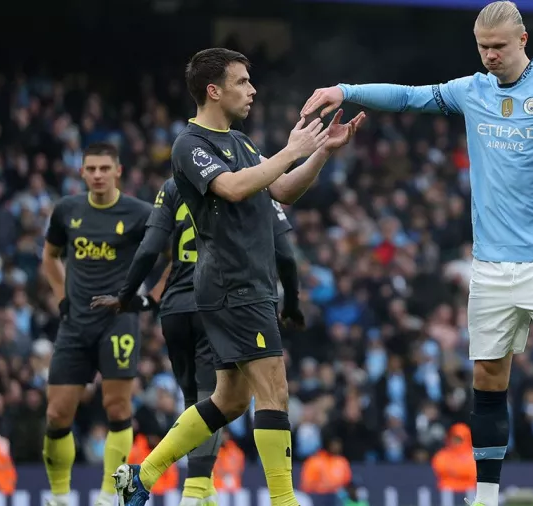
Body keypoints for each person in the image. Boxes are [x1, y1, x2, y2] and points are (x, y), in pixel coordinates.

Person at [300, 2, 533, 505]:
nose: (489, 57)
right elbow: (409, 98)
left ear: (523, 40)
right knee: (487, 376)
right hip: (490, 264)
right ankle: (485, 496)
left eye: (499, 47)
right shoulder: (473, 91)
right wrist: (344, 91)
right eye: (482, 48)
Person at [114, 47, 364, 506]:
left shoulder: (242, 143)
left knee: (229, 400)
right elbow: (229, 188)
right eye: (242, 82)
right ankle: (284, 501)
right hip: (233, 284)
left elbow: (282, 190)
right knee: (275, 390)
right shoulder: (191, 144)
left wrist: (321, 153)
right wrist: (291, 149)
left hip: (246, 284)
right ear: (214, 90)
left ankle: (141, 475)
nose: (252, 90)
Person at [92, 178, 303, 506]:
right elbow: (285, 255)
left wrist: (127, 296)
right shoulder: (250, 179)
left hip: (180, 305)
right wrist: (291, 303)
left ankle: (145, 477)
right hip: (236, 297)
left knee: (223, 400)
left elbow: (151, 248)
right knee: (269, 393)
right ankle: (205, 492)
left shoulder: (173, 187)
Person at [41, 142, 155, 506]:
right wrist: (61, 296)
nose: (98, 175)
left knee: (118, 409)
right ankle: (59, 496)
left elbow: (175, 253)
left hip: (117, 322)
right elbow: (50, 256)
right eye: (91, 169)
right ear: (82, 172)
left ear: (118, 171)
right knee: (57, 412)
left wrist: (150, 299)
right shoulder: (67, 210)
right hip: (75, 324)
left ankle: (111, 495)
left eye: (105, 168)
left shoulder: (139, 213)